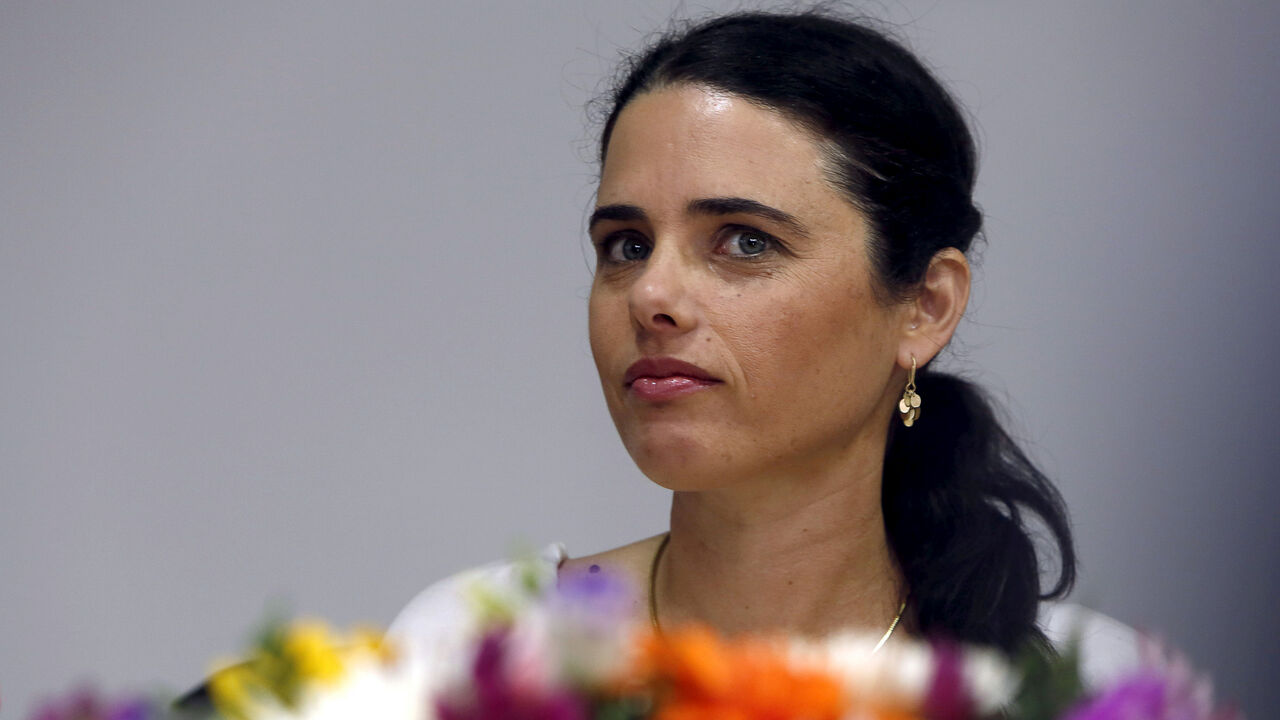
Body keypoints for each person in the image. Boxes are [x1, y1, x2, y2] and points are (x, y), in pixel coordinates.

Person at [391, 8, 1137, 684]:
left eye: (745, 241)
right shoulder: (473, 650)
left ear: (925, 307)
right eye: (627, 245)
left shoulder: (1087, 687)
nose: (650, 294)